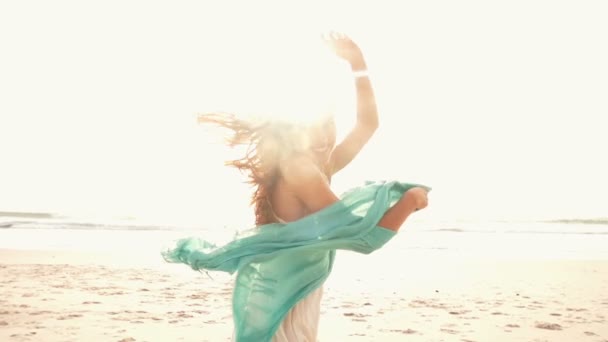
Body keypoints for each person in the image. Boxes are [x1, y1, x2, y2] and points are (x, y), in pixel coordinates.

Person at [178, 32, 429, 341]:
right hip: (283, 298)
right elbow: (363, 238)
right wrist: (409, 202)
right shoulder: (300, 170)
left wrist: (358, 64)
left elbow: (367, 124)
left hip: (295, 292)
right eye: (314, 129)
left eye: (329, 125)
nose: (325, 138)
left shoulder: (319, 165)